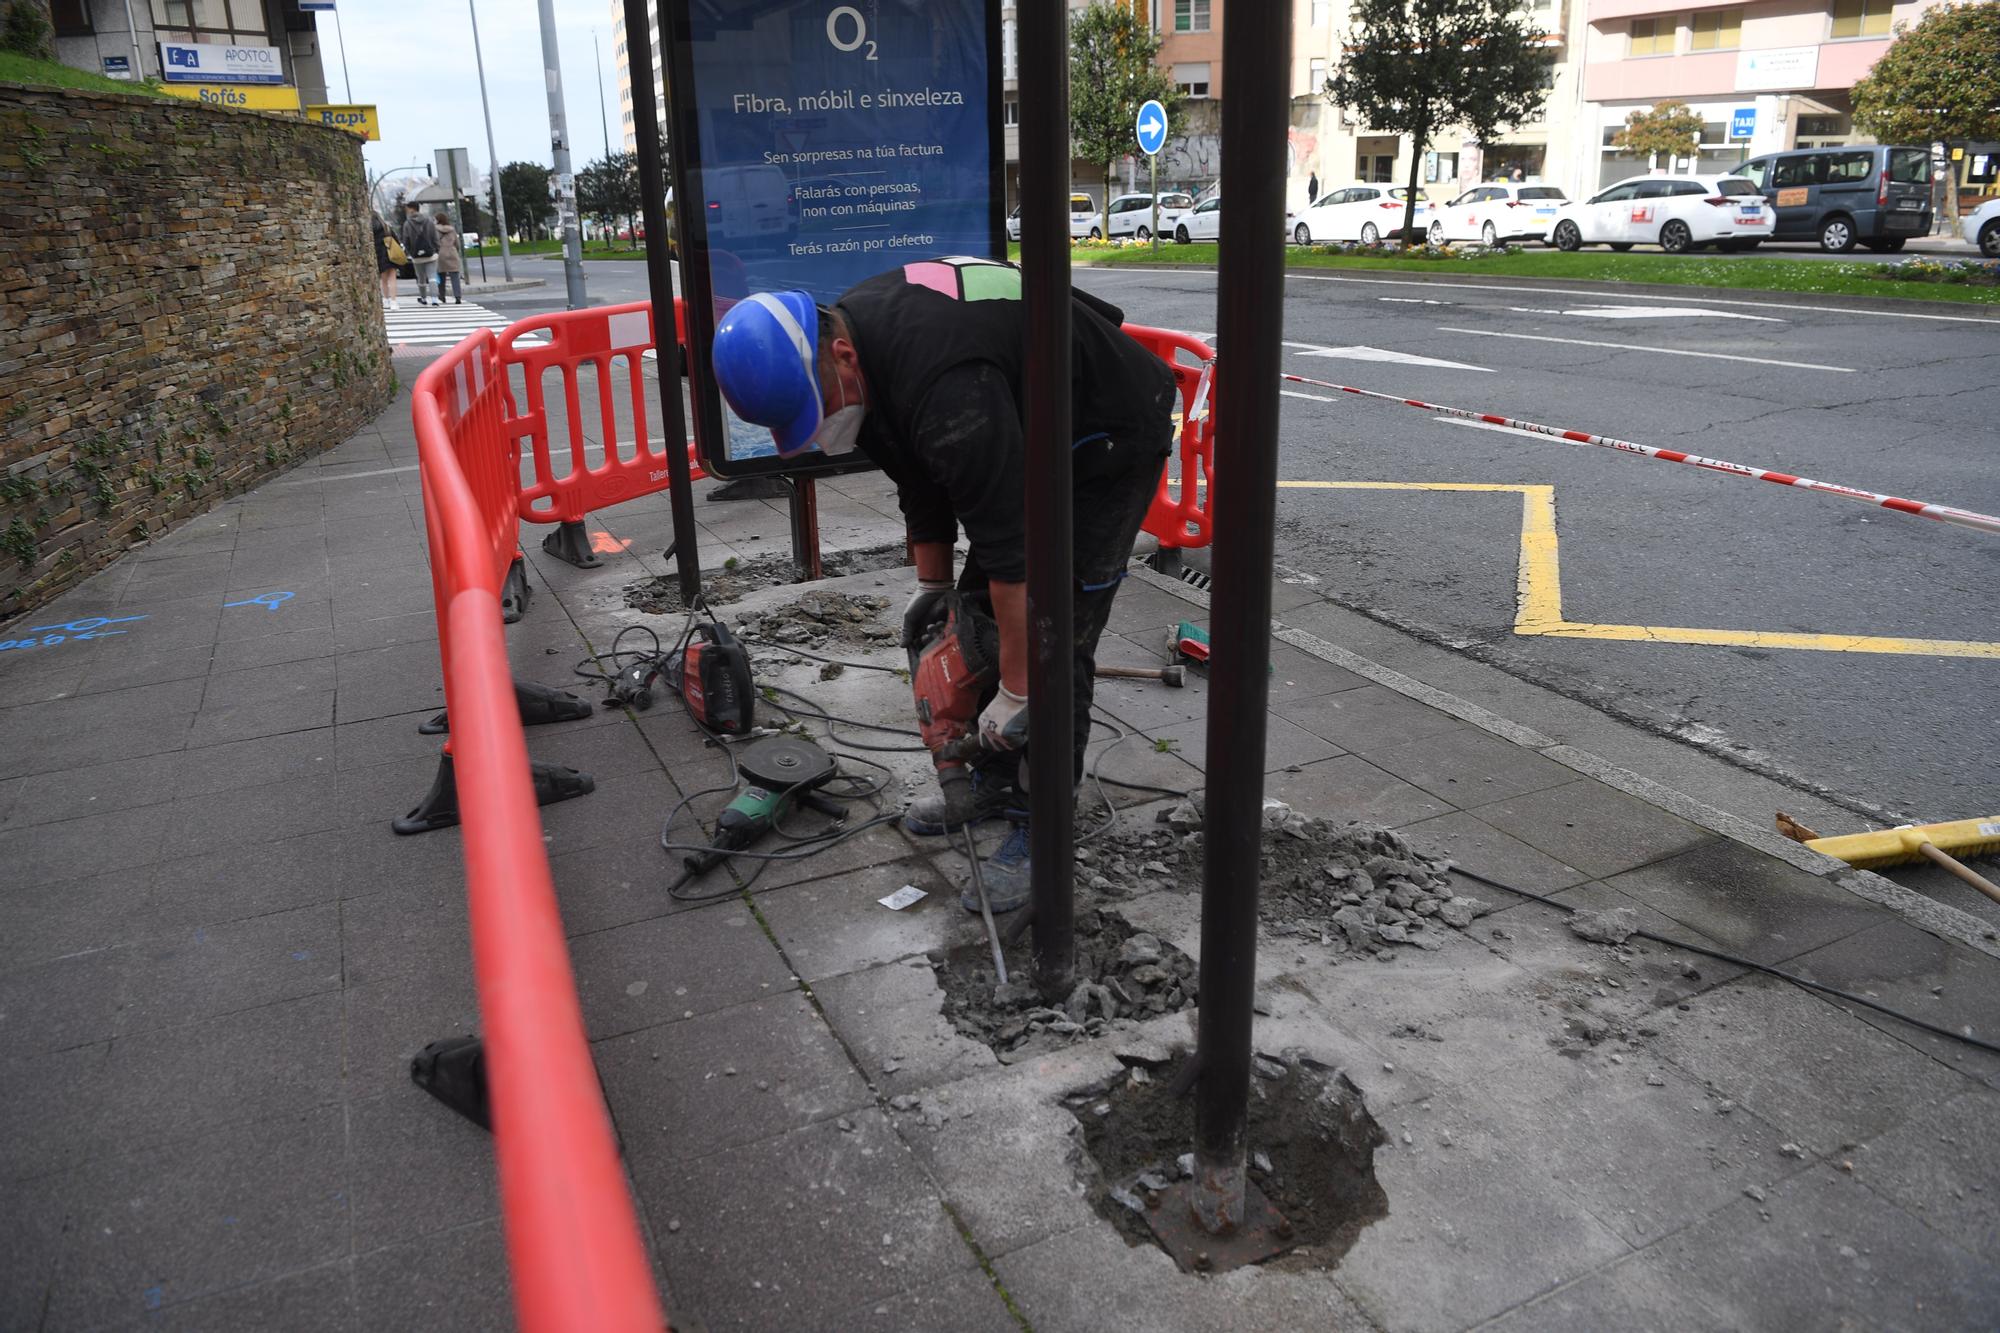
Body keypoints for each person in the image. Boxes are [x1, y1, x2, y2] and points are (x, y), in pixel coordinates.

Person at [710, 258, 1177, 913]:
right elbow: (920, 476)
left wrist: (1018, 686)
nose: (816, 427)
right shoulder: (859, 340)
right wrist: (934, 588)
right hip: (1027, 423)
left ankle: (1042, 828)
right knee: (981, 620)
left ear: (840, 354)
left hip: (1107, 434)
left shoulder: (941, 381)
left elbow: (1015, 555)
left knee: (1051, 635)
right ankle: (992, 781)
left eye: (813, 407)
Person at [400, 202, 441, 306]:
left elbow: (406, 240)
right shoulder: (429, 221)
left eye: (407, 209)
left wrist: (410, 252)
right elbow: (435, 237)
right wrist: (436, 249)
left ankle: (423, 298)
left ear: (411, 209)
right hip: (430, 254)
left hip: (416, 256)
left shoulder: (407, 223)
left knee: (421, 278)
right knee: (432, 277)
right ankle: (435, 298)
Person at [433, 212, 463, 305]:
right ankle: (457, 296)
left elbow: (434, 241)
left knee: (441, 276)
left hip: (440, 254)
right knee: (455, 276)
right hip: (452, 252)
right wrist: (456, 250)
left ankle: (442, 296)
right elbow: (457, 243)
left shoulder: (435, 230)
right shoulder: (452, 229)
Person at [370, 211, 398, 309]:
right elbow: (396, 241)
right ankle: (394, 302)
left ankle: (386, 300)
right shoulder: (387, 228)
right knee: (392, 279)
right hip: (390, 256)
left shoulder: (371, 230)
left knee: (384, 280)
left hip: (379, 256)